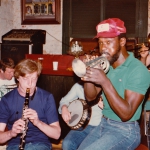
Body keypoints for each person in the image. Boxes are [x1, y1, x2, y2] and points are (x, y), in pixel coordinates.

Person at [76, 18, 150, 150]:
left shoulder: (138, 70)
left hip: (126, 130)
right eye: (101, 43)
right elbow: (90, 97)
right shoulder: (107, 65)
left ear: (122, 41)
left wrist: (104, 80)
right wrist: (88, 75)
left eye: (108, 42)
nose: (103, 48)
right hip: (103, 124)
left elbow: (126, 114)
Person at [0, 59, 61, 150]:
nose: (30, 83)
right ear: (17, 77)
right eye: (25, 78)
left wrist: (38, 122)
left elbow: (56, 134)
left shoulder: (47, 97)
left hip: (40, 143)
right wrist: (11, 133)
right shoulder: (6, 100)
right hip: (15, 145)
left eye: (34, 78)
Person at [58, 80, 103, 150]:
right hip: (83, 126)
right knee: (67, 143)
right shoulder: (79, 86)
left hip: (100, 127)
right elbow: (65, 100)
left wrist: (106, 107)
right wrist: (64, 107)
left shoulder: (105, 85)